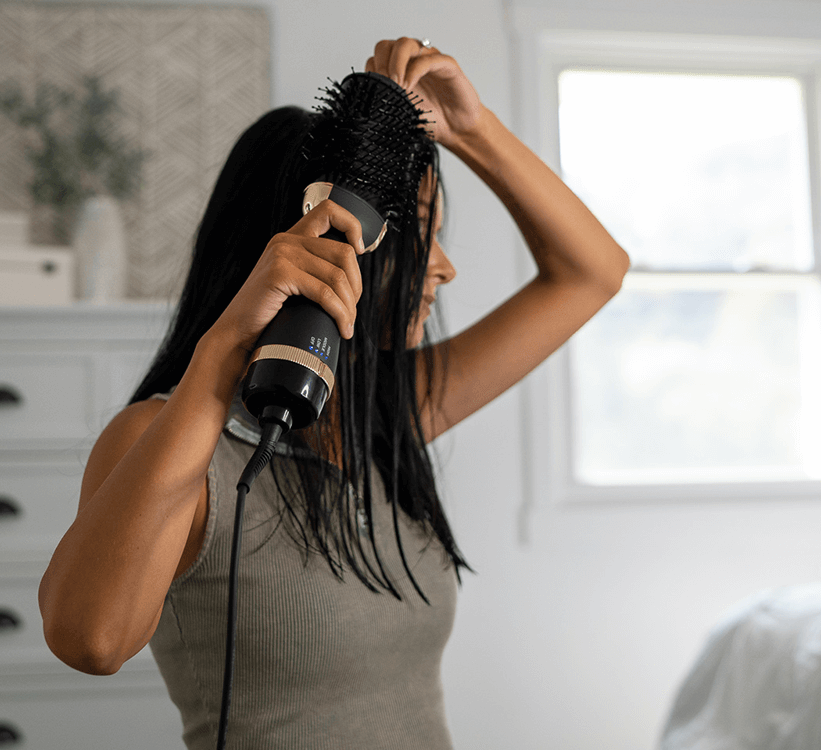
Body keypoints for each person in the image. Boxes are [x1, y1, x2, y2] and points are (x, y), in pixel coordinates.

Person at [38, 38, 630, 748]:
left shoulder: (379, 417)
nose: (442, 269)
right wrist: (225, 349)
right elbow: (90, 640)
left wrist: (471, 131)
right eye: (420, 235)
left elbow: (592, 272)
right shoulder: (166, 440)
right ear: (315, 241)